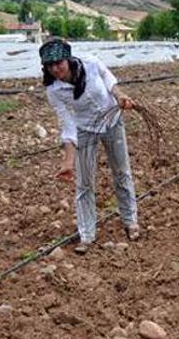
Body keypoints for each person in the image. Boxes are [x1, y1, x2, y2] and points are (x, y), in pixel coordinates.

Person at [40, 39, 140, 254]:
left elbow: (109, 80)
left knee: (121, 173)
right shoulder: (54, 90)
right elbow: (67, 124)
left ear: (67, 59)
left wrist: (121, 96)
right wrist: (68, 161)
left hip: (112, 120)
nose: (56, 69)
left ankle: (130, 221)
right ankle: (86, 235)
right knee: (85, 183)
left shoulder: (90, 63)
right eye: (50, 65)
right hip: (85, 128)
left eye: (59, 63)